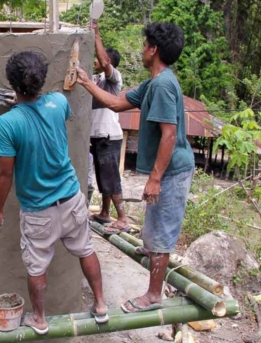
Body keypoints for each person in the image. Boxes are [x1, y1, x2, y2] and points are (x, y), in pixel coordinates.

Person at [74, 22, 194, 313]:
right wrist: (87, 83)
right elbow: (116, 103)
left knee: (163, 227)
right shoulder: (154, 83)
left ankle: (153, 295)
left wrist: (154, 179)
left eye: (144, 46)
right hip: (166, 169)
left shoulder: (164, 85)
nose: (141, 51)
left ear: (154, 50)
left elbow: (169, 134)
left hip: (173, 170)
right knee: (154, 220)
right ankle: (153, 251)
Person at [0, 51, 108, 335]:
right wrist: (24, 99)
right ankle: (101, 305)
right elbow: (50, 107)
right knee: (86, 249)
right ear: (41, 81)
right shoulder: (59, 102)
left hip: (38, 210)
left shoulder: (7, 124)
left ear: (12, 84)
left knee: (37, 265)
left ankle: (39, 319)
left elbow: (5, 174)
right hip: (71, 198)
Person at [88, 21, 130, 233]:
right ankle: (105, 213)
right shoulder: (95, 78)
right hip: (97, 135)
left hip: (108, 135)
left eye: (100, 57)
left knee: (111, 177)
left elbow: (104, 62)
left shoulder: (113, 79)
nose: (97, 60)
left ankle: (122, 218)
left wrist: (96, 36)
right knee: (102, 176)